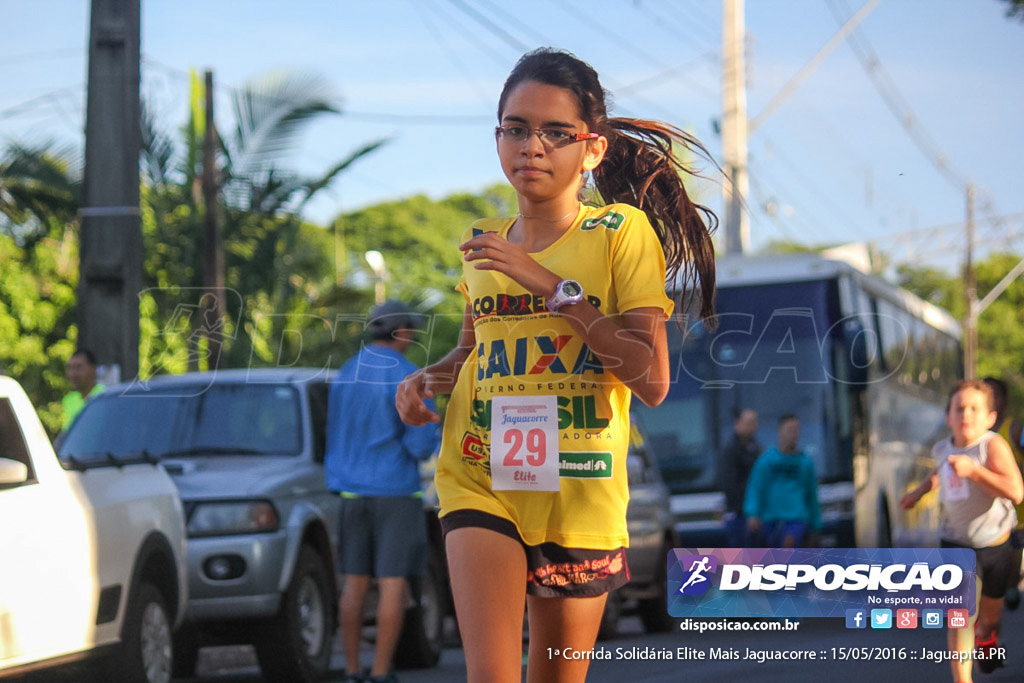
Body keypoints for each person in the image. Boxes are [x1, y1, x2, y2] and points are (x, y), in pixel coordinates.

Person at [395, 47, 717, 683]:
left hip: (579, 486)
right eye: (515, 128)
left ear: (592, 149)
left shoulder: (620, 234)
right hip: (480, 470)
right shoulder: (483, 242)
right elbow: (475, 349)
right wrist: (427, 380)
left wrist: (552, 287)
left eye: (554, 133)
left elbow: (651, 380)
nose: (531, 147)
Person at [324, 300, 440, 683]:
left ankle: (354, 669)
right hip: (394, 491)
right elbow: (420, 445)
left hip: (350, 493)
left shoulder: (346, 371)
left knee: (354, 583)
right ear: (402, 331)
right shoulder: (409, 376)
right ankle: (380, 672)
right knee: (393, 583)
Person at [900, 379, 1023, 683]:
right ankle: (962, 679)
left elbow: (1016, 492)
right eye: (959, 408)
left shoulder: (992, 445)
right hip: (955, 542)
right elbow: (938, 473)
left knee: (990, 617)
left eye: (974, 409)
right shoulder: (942, 447)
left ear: (990, 418)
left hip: (995, 544)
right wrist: (917, 493)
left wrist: (976, 472)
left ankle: (986, 639)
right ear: (948, 417)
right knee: (959, 616)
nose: (966, 414)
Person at [743, 414, 821, 548]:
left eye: (796, 430)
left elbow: (811, 494)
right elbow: (755, 488)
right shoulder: (765, 461)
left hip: (796, 519)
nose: (794, 435)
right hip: (770, 520)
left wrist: (816, 525)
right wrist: (753, 513)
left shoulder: (805, 463)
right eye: (790, 430)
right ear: (780, 431)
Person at [982, 377, 1024, 611]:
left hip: (1016, 515)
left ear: (1005, 401)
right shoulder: (971, 435)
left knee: (1011, 559)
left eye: (995, 394)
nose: (991, 400)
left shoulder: (1015, 431)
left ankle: (1011, 584)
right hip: (984, 514)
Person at [718, 408, 761, 546]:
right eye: (748, 423)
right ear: (738, 424)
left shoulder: (757, 449)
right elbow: (729, 484)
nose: (752, 427)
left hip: (757, 513)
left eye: (754, 422)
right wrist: (745, 509)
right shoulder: (730, 451)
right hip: (738, 513)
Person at [61, 348, 105, 430]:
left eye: (78, 367)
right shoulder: (68, 400)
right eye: (69, 368)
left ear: (93, 369)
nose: (73, 374)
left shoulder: (105, 396)